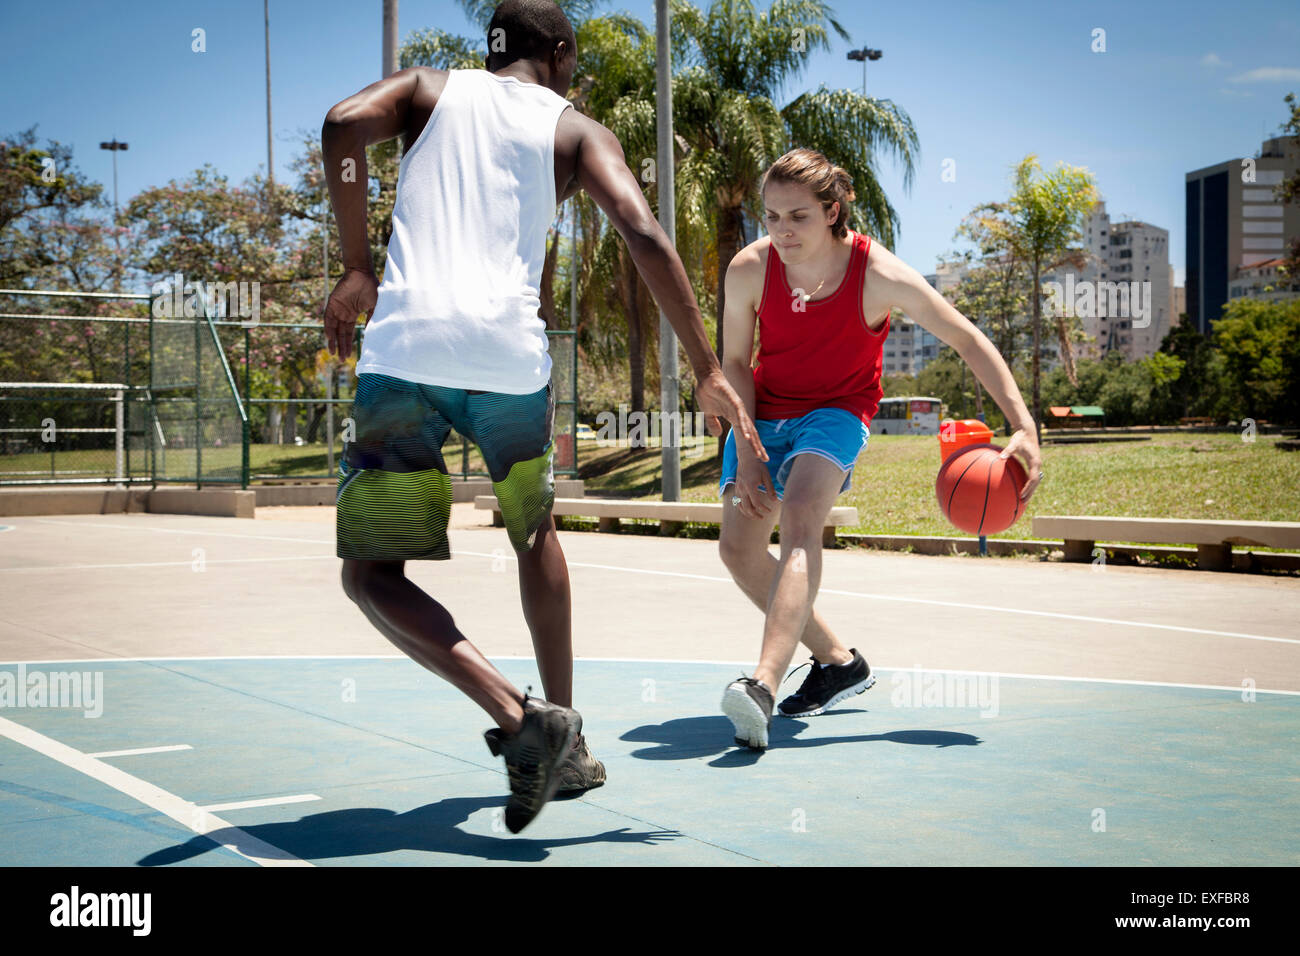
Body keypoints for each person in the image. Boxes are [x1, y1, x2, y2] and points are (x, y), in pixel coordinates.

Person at [320, 0, 766, 832]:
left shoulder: (426, 88)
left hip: (405, 358)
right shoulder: (575, 128)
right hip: (508, 366)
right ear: (559, 53)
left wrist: (355, 266)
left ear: (491, 51)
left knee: (371, 576)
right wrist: (705, 367)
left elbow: (343, 125)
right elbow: (642, 232)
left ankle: (522, 720)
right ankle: (564, 732)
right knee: (534, 534)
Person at [717, 148, 1043, 750]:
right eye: (771, 217)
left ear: (832, 210)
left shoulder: (878, 273)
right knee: (737, 551)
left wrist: (1023, 423)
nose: (782, 231)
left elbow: (966, 338)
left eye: (798, 217)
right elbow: (734, 361)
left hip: (838, 411)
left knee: (800, 523)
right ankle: (838, 663)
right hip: (764, 411)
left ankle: (761, 684)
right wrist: (750, 448)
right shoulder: (748, 269)